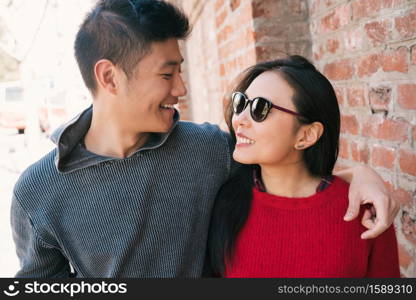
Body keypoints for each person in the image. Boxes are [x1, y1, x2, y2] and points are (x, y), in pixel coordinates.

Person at [11, 0, 398, 278]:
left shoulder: (208, 149)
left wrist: (362, 174)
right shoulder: (38, 191)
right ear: (109, 77)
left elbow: (288, 167)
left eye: (181, 71)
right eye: (167, 75)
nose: (181, 88)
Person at [207, 56, 400, 278]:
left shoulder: (365, 212)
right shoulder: (222, 202)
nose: (239, 118)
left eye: (260, 108)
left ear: (306, 135)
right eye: (241, 103)